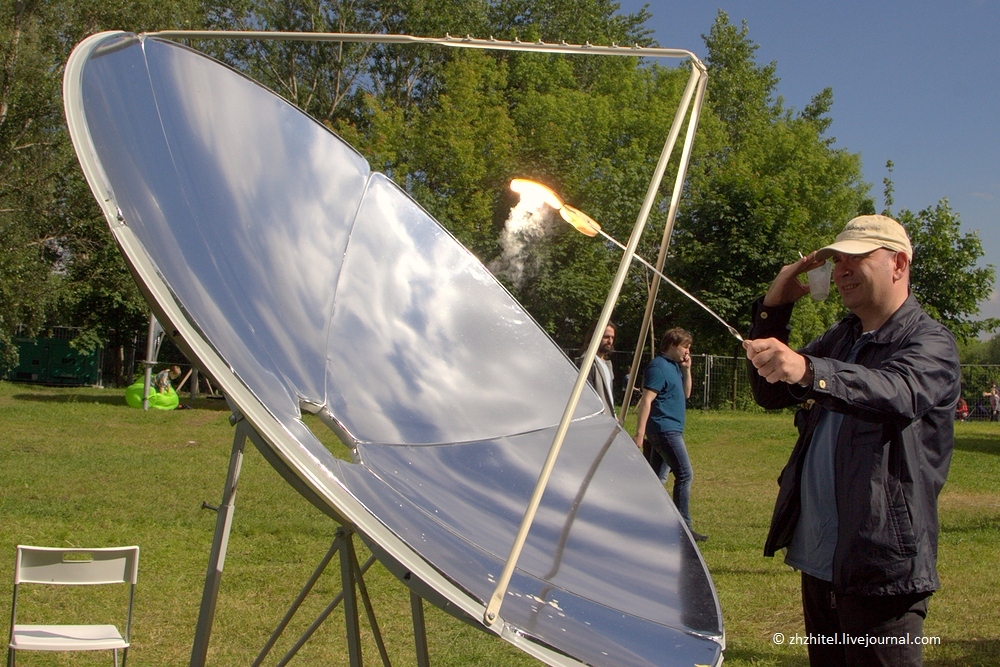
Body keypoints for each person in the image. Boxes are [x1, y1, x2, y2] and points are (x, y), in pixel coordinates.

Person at [744, 215, 959, 667]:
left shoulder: (932, 343)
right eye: (836, 260)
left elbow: (896, 391)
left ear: (898, 263)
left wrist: (809, 370)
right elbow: (770, 392)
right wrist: (773, 309)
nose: (841, 270)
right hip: (822, 564)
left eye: (856, 258)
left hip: (882, 569)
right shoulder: (843, 337)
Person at [633, 327, 707, 542]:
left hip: (670, 428)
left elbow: (686, 394)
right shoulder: (658, 367)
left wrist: (687, 370)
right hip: (664, 429)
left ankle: (644, 521)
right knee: (685, 474)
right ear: (673, 345)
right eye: (685, 346)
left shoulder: (674, 367)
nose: (687, 351)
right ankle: (684, 528)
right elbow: (646, 400)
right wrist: (639, 434)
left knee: (656, 479)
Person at [576, 321, 617, 416]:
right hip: (596, 421)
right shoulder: (587, 363)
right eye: (606, 337)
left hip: (607, 419)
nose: (610, 341)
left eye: (612, 338)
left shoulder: (606, 364)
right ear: (595, 336)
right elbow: (587, 398)